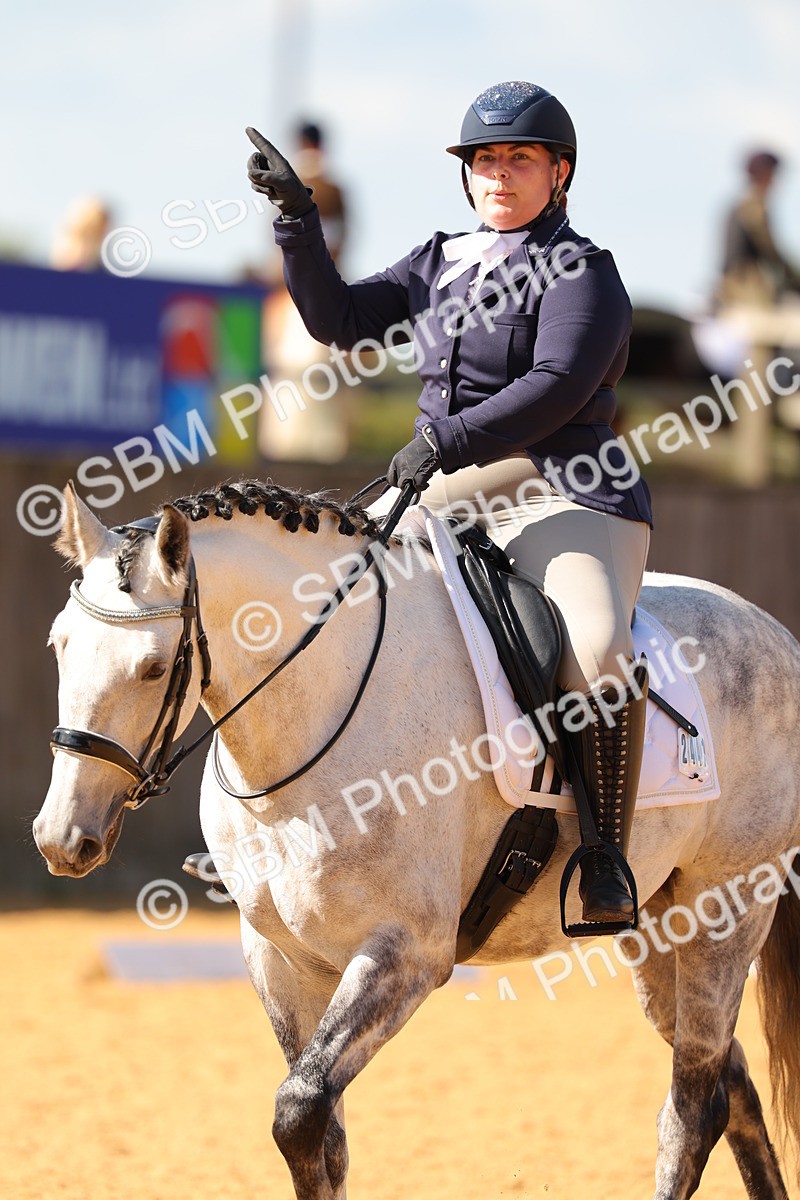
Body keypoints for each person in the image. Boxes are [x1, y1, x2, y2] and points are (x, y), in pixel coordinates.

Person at [244, 80, 653, 928]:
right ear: (467, 176)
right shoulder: (438, 261)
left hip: (562, 492)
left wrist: (441, 442)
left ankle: (606, 856)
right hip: (443, 487)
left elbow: (557, 387)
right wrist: (295, 217)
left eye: (520, 160)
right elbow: (339, 318)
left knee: (600, 644)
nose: (499, 175)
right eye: (485, 161)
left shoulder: (584, 270)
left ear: (559, 173)